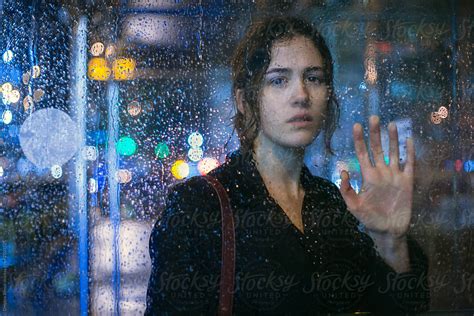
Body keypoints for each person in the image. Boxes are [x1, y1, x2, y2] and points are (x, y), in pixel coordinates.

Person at [145, 16, 429, 315]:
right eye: (279, 80)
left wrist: (390, 241)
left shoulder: (329, 202)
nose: (301, 95)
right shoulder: (200, 204)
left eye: (314, 78)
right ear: (245, 100)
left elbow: (401, 307)